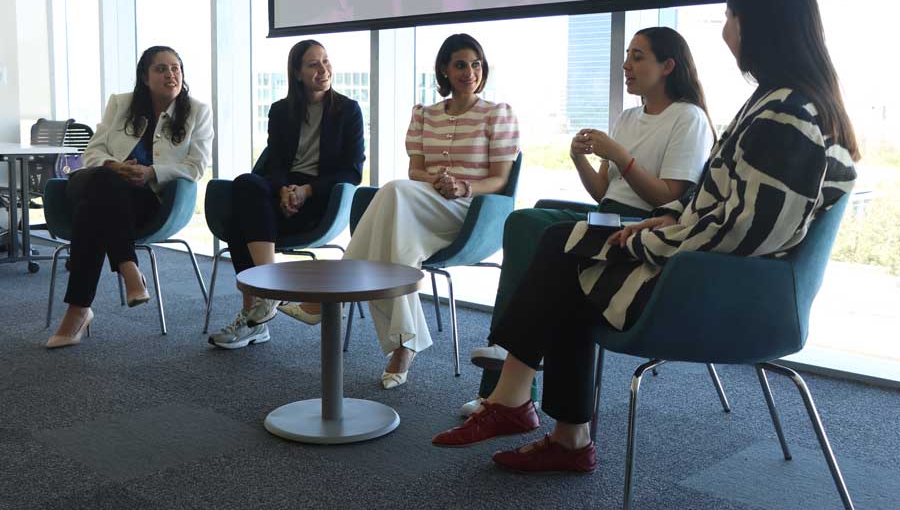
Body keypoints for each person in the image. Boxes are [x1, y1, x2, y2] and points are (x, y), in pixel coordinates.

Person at [431, 0, 859, 474]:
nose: (725, 29)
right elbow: (715, 202)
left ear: (756, 22)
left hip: (722, 290)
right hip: (708, 267)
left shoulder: (788, 114)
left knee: (564, 255)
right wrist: (664, 223)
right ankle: (551, 426)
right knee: (563, 251)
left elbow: (743, 234)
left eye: (729, 14)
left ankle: (520, 401)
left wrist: (648, 237)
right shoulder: (781, 103)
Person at [459, 26, 716, 416]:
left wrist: (619, 154)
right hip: (608, 213)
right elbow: (603, 191)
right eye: (627, 56)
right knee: (523, 222)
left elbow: (668, 196)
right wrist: (580, 157)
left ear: (668, 66)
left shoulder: (688, 118)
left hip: (642, 225)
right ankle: (507, 361)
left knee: (542, 230)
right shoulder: (629, 117)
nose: (626, 65)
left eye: (637, 56)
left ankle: (504, 370)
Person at [340, 33, 519, 389]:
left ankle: (340, 286)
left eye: (476, 64)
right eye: (461, 65)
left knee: (393, 192)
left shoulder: (497, 114)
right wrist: (436, 179)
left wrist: (463, 186)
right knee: (400, 240)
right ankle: (405, 346)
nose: (470, 72)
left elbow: (500, 179)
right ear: (444, 71)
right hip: (427, 202)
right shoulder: (425, 115)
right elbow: (416, 171)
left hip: (470, 212)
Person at [46, 46, 214, 349]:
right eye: (161, 69)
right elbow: (93, 151)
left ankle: (78, 310)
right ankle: (127, 267)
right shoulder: (121, 104)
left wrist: (151, 173)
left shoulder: (197, 112)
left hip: (146, 200)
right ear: (145, 76)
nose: (170, 74)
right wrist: (114, 166)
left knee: (94, 211)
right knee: (104, 180)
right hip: (96, 182)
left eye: (175, 68)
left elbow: (196, 166)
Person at [208, 39, 365, 350]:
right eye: (313, 64)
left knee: (240, 221)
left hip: (320, 201)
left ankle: (256, 310)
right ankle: (266, 296)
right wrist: (282, 190)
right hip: (282, 195)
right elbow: (276, 162)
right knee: (246, 183)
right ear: (297, 73)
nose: (323, 69)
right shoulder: (281, 111)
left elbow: (351, 171)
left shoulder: (348, 110)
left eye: (326, 61)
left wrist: (305, 191)